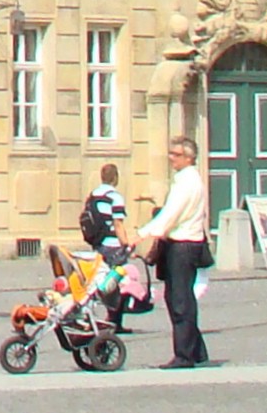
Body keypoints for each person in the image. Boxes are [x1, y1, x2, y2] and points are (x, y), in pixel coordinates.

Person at [136, 136, 214, 369]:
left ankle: (185, 355)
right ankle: (197, 350)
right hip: (177, 245)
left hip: (184, 246)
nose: (171, 158)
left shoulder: (188, 182)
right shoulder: (182, 180)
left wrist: (142, 234)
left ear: (189, 158)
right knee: (175, 298)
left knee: (181, 301)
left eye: (176, 154)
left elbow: (171, 215)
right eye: (170, 153)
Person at [81, 164, 128, 248]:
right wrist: (126, 245)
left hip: (98, 243)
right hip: (112, 244)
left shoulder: (93, 195)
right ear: (115, 177)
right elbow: (118, 224)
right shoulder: (115, 197)